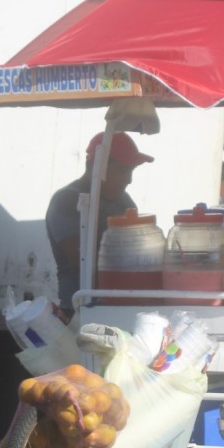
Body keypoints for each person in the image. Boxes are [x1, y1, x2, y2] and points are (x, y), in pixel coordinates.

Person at [45, 131, 154, 317]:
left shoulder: (123, 201)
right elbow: (83, 258)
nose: (129, 179)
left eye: (131, 171)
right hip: (78, 311)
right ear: (99, 167)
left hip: (121, 307)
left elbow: (142, 247)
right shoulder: (66, 200)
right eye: (122, 170)